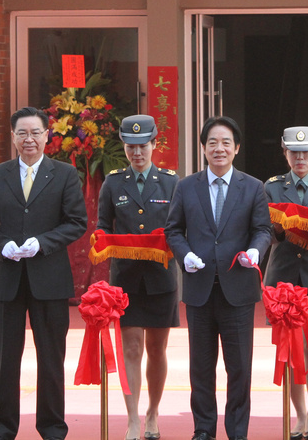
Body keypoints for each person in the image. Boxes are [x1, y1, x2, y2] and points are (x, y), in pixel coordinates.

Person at [0, 106, 87, 440]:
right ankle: (4, 427)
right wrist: (2, 244)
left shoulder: (65, 174)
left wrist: (43, 242)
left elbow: (76, 222)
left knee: (51, 358)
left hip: (49, 278)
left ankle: (52, 427)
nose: (29, 139)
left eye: (35, 133)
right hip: (8, 279)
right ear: (12, 137)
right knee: (5, 359)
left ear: (46, 136)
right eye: (22, 133)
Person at [165, 115, 272, 440]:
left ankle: (237, 432)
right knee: (201, 369)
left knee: (239, 369)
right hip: (199, 292)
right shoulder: (186, 186)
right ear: (203, 148)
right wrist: (185, 255)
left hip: (237, 290)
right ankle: (204, 431)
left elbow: (263, 230)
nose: (219, 148)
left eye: (226, 142)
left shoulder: (253, 187)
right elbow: (173, 229)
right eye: (212, 142)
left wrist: (256, 252)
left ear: (236, 147)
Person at [96, 115, 179, 440]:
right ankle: (132, 418)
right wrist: (100, 240)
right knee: (130, 348)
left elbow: (179, 228)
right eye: (131, 147)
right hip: (126, 279)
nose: (137, 153)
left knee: (157, 349)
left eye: (143, 146)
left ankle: (153, 414)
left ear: (154, 145)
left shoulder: (171, 183)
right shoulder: (113, 182)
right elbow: (103, 224)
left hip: (160, 279)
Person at [263, 126, 308, 440]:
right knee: (290, 346)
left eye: (306, 152)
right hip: (284, 276)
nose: (300, 157)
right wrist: (280, 225)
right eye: (294, 152)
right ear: (285, 152)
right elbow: (266, 232)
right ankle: (299, 413)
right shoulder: (272, 187)